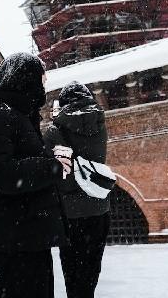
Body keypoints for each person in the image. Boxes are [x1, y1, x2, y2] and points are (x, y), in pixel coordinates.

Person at [0, 52, 71, 298]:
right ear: (27, 80)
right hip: (16, 233)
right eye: (40, 79)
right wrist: (51, 167)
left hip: (28, 232)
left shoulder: (18, 118)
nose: (44, 85)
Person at [44, 81, 110, 298]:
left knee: (73, 271)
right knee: (91, 268)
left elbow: (56, 168)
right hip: (100, 206)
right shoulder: (100, 124)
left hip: (71, 212)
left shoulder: (56, 130)